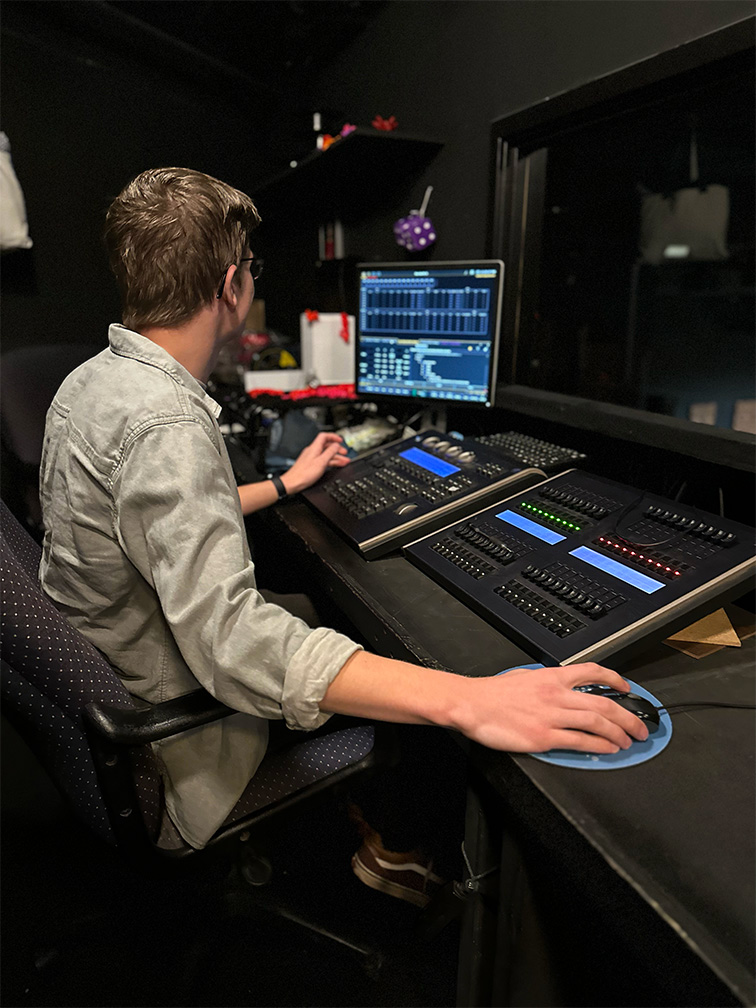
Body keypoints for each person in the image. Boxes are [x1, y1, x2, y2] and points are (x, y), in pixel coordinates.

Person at [38, 167, 648, 903]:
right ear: (232, 284)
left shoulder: (92, 382)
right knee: (413, 671)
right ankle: (399, 851)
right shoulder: (166, 421)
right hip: (173, 746)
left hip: (108, 691)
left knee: (324, 617)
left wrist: (287, 484)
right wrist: (468, 701)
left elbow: (152, 513)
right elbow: (232, 645)